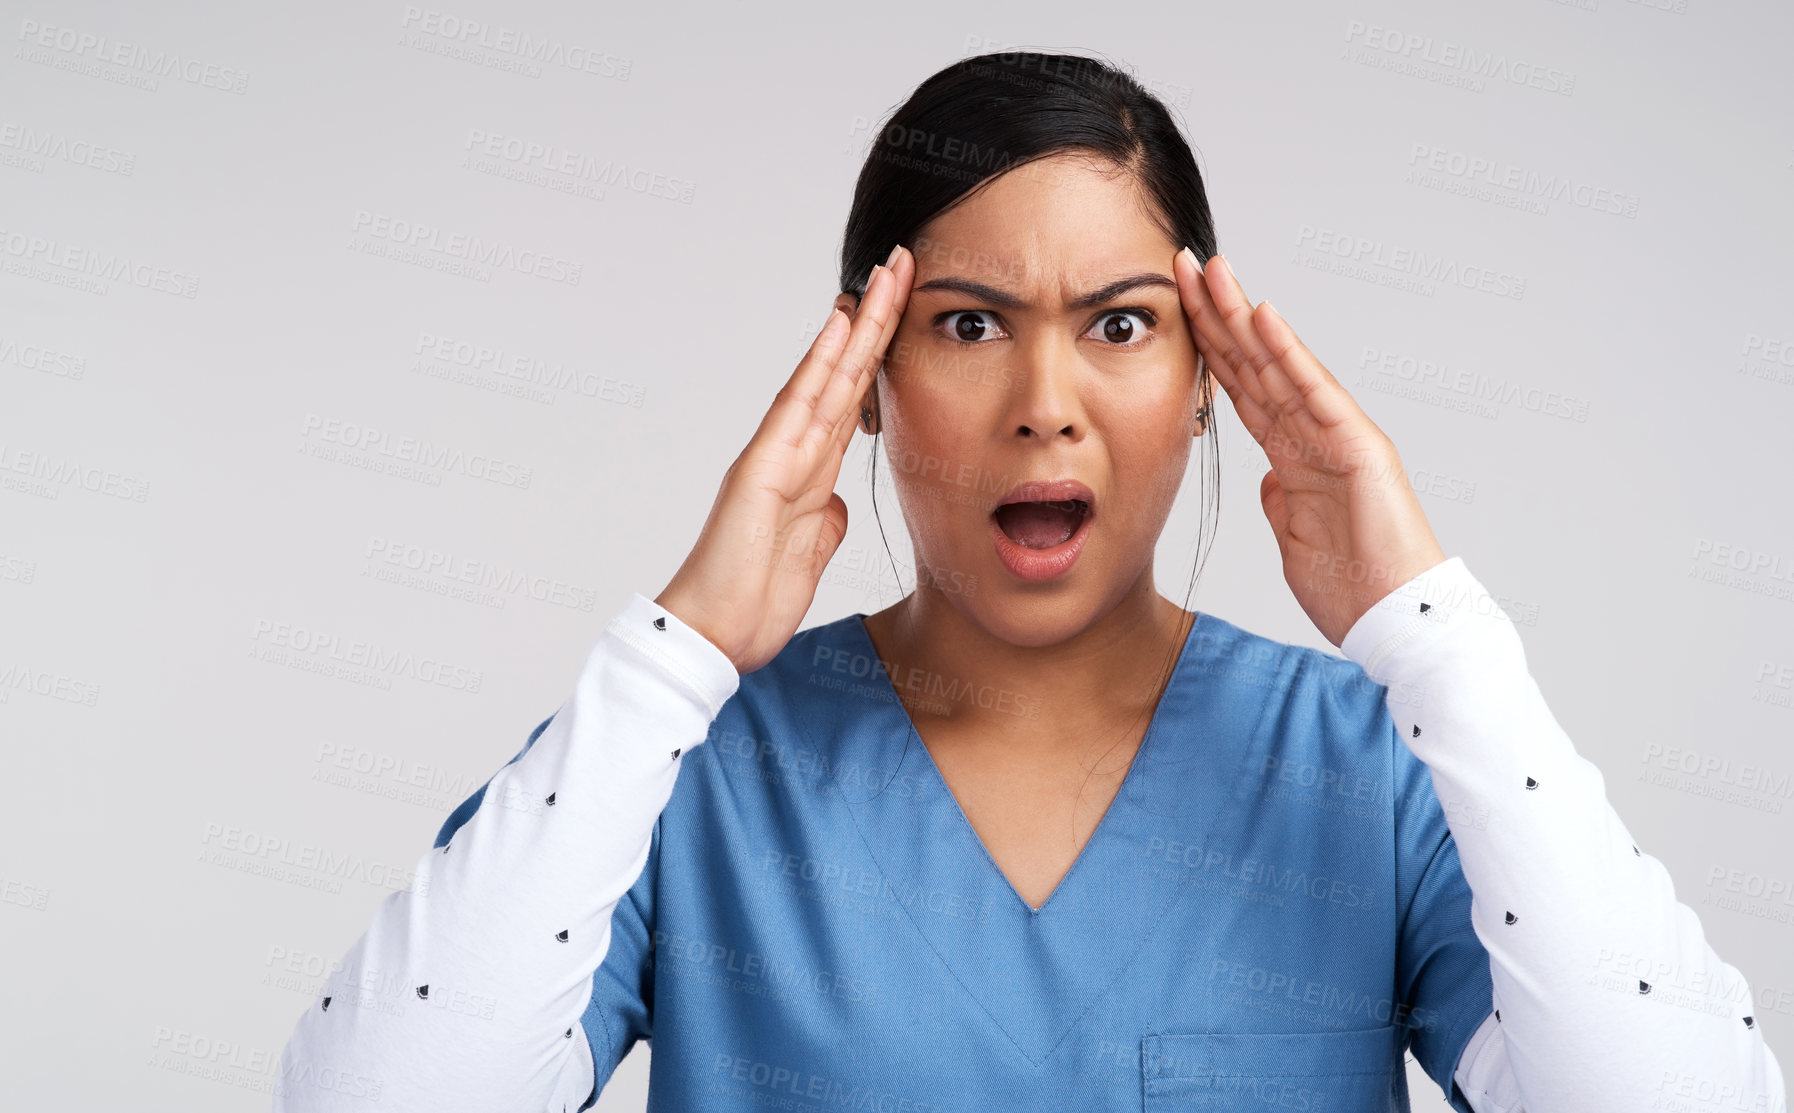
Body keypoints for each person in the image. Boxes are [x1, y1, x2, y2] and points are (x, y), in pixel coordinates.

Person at [272, 52, 1786, 1113]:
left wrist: (1436, 634)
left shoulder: (1371, 767)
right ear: (863, 374)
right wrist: (675, 651)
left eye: (1121, 325)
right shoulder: (688, 774)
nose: (1044, 400)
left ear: (1208, 380)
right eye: (967, 324)